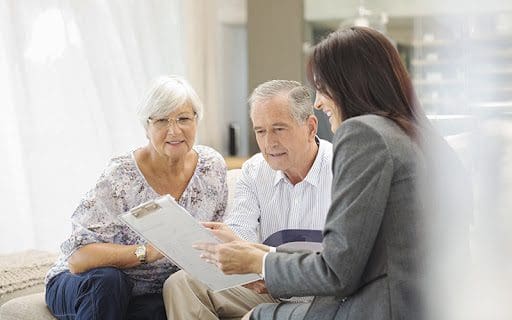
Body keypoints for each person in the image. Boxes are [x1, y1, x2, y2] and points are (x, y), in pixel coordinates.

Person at [194, 27, 471, 320]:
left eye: (322, 87)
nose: (318, 101)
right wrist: (265, 258)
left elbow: (338, 272)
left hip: (379, 309)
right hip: (419, 307)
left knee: (257, 316)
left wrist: (260, 262)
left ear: (349, 84)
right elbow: (355, 256)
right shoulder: (415, 137)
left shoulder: (364, 135)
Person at [44, 75, 228, 320]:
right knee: (109, 282)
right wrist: (146, 252)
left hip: (148, 292)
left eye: (183, 118)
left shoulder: (211, 168)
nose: (174, 130)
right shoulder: (120, 176)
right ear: (146, 127)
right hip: (84, 282)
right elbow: (78, 259)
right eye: (162, 120)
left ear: (196, 120)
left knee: (165, 305)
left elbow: (215, 240)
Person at [163, 80, 333, 320]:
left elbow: (342, 262)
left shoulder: (343, 169)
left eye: (279, 129)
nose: (268, 143)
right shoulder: (254, 170)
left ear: (310, 127)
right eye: (260, 131)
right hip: (270, 288)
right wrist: (233, 247)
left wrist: (263, 262)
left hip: (325, 295)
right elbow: (241, 232)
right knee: (181, 283)